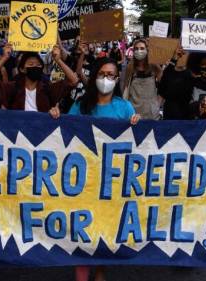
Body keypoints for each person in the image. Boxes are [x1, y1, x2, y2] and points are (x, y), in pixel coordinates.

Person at [49, 57, 140, 281]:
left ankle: (100, 273)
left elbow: (138, 142)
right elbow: (66, 133)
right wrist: (56, 117)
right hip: (84, 179)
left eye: (111, 75)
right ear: (94, 76)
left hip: (111, 181)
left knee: (103, 229)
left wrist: (138, 122)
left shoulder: (124, 106)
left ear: (117, 79)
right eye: (102, 74)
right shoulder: (81, 105)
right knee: (83, 229)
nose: (106, 79)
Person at [0, 45, 78, 112]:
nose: (35, 66)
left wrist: (58, 60)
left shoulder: (47, 88)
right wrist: (4, 57)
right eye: (31, 64)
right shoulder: (13, 88)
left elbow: (73, 81)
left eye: (39, 65)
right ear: (22, 69)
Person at [123, 39, 162, 120]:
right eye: (136, 49)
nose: (139, 51)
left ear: (147, 50)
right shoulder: (130, 67)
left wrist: (158, 104)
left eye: (142, 48)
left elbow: (164, 86)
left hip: (152, 112)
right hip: (134, 112)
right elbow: (126, 88)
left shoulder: (154, 66)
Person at [159, 45, 192, 120]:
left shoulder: (190, 74)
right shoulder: (169, 72)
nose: (182, 55)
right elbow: (162, 90)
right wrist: (173, 60)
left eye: (185, 53)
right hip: (169, 115)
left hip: (185, 117)